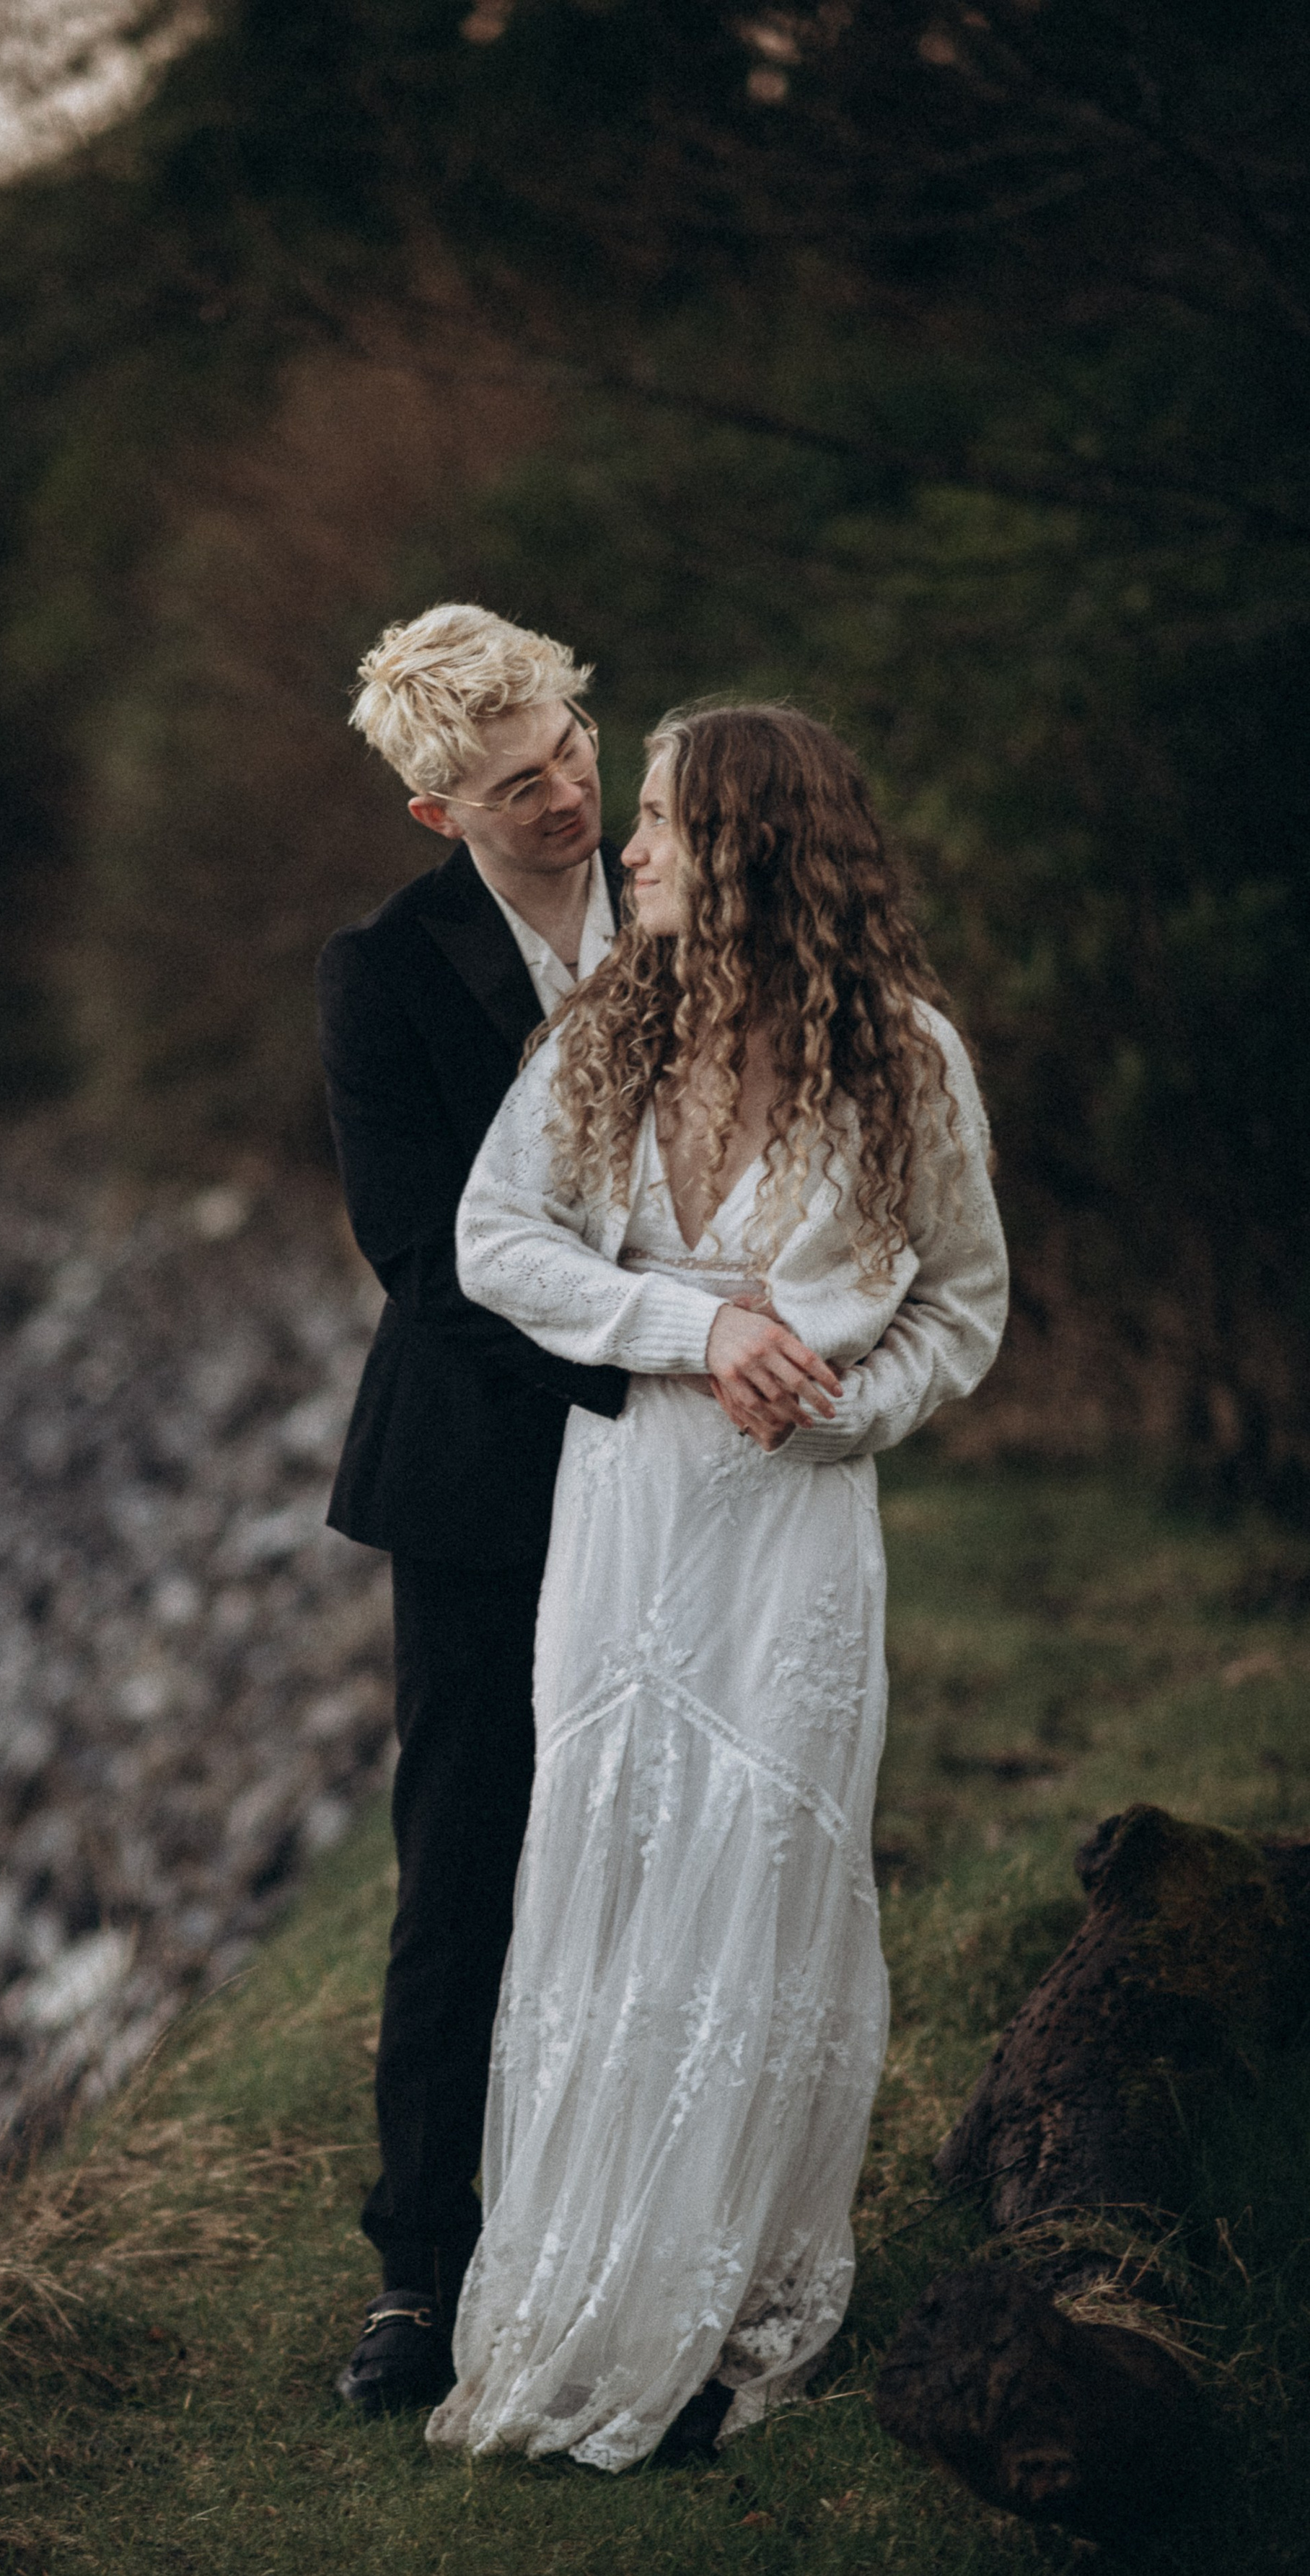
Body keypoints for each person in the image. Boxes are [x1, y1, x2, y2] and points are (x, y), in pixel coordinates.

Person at [426, 699, 1008, 2471]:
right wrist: (696, 1328)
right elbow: (489, 1242)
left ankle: (723, 2306)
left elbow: (961, 1307)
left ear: (752, 846)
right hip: (621, 1522)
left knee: (756, 1882)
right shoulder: (606, 1033)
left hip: (791, 1535)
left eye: (666, 818)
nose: (631, 846)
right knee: (612, 1873)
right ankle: (583, 2288)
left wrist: (841, 1409)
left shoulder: (907, 1061)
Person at [319, 613, 832, 2414]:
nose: (564, 798)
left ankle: (634, 2220)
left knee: (663, 1831)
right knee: (463, 1856)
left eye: (570, 754)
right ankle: (418, 2270)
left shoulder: (692, 914)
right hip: (484, 1475)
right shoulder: (383, 971)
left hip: (702, 1482)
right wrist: (656, 1375)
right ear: (427, 807)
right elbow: (418, 1256)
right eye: (513, 781)